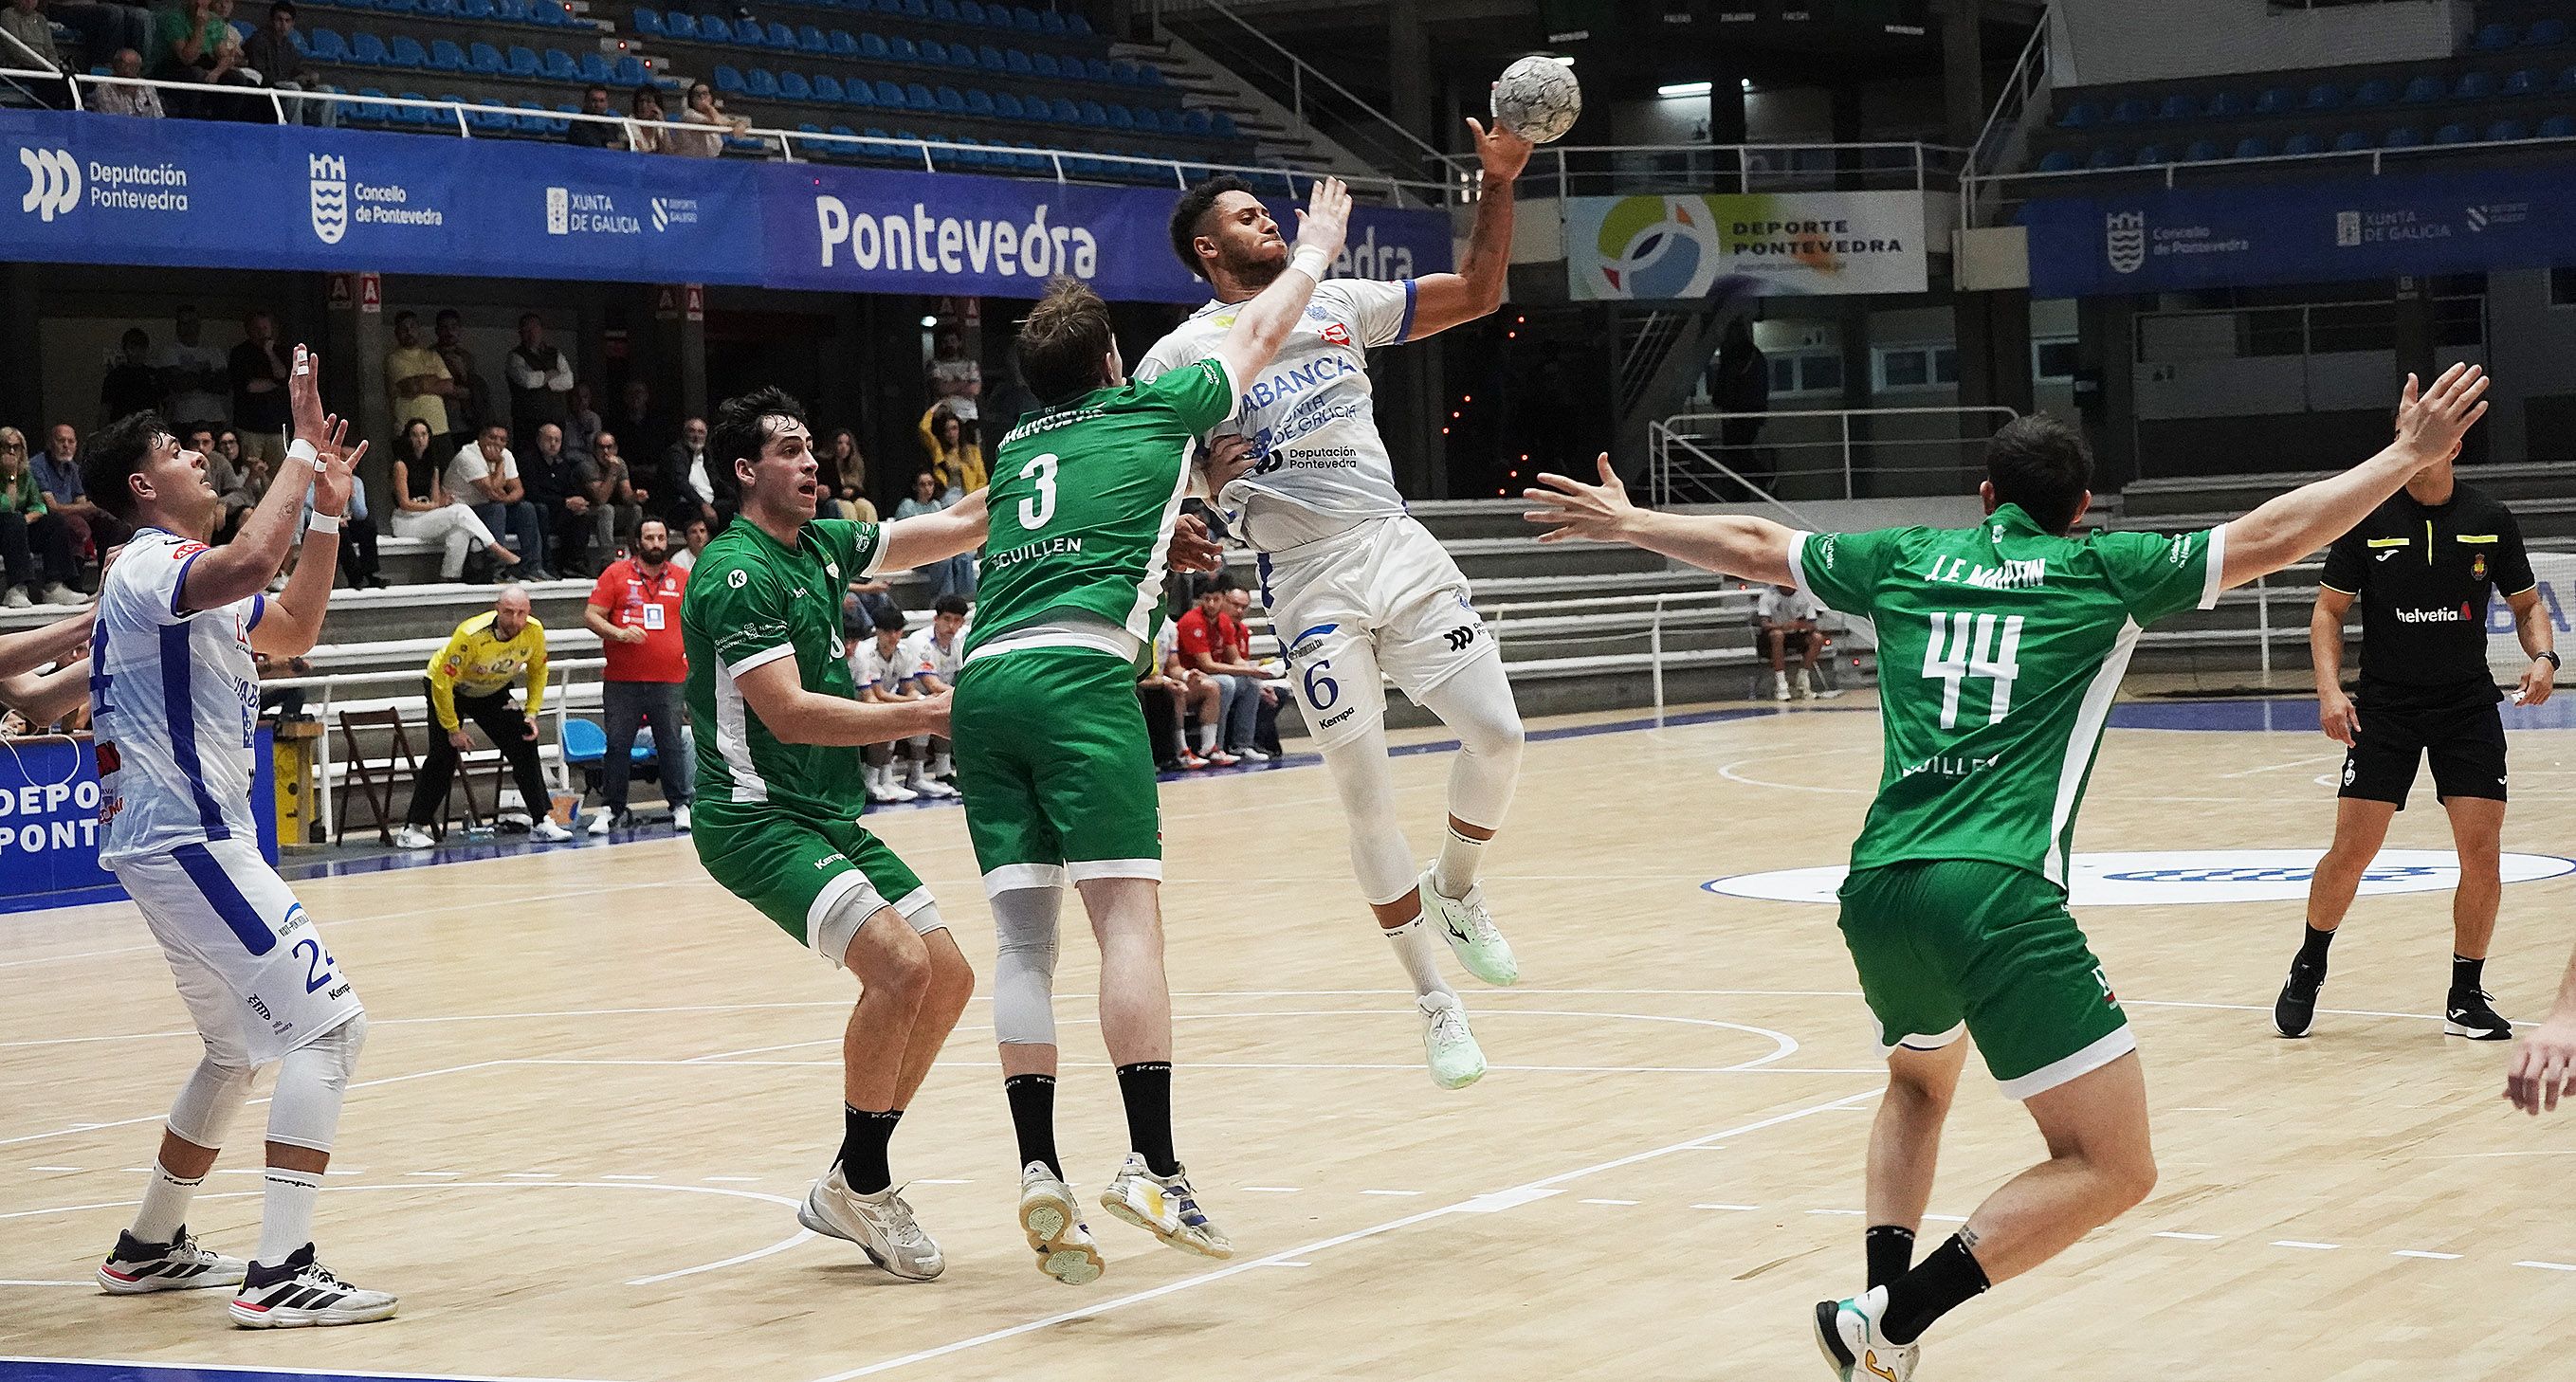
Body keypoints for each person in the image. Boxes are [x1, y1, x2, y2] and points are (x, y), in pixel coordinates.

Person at [1521, 367, 2492, 1382]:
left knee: (1915, 1082)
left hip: (1878, 887)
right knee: (2113, 1165)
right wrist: (2404, 456)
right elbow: (2272, 536)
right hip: (1996, 890)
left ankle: (1883, 1330)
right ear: (2081, 508)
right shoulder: (2103, 568)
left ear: (1983, 497)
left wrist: (1630, 522)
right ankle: (1888, 1317)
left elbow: (1759, 545)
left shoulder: (1901, 556)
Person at [956, 209, 1341, 1283]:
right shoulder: (1153, 405)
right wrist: (1317, 248)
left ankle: (1039, 1170)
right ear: (1111, 361)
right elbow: (1255, 334)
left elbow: (1075, 512)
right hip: (1077, 678)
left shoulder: (1019, 446)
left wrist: (1179, 507)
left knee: (1022, 944)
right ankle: (1153, 1165)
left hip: (983, 682)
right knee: (1127, 924)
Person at [1133, 130, 1532, 1090]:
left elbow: (1480, 289)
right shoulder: (1180, 355)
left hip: (1392, 542)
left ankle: (1456, 889)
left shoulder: (1339, 301)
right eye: (1245, 216)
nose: (1266, 220)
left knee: (1499, 737)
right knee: (1365, 794)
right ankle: (1433, 1000)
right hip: (1306, 578)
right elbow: (1137, 466)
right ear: (1208, 250)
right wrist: (1194, 492)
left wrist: (1496, 181)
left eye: (1264, 210)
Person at [82, 352, 399, 1327]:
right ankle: (281, 1272)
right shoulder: (149, 564)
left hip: (180, 840)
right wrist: (300, 450)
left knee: (232, 1050)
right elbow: (256, 562)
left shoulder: (191, 583)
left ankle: (148, 1247)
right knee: (330, 1029)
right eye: (177, 450)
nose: (200, 456)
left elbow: (293, 625)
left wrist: (328, 515)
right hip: (188, 837)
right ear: (143, 486)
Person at [677, 384, 996, 1281]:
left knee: (948, 977)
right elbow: (787, 714)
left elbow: (956, 524)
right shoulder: (734, 571)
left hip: (822, 811)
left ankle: (849, 1182)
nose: (811, 461)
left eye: (811, 445)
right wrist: (927, 714)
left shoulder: (822, 541)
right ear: (745, 471)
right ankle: (867, 1182)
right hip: (752, 818)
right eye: (789, 449)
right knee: (897, 966)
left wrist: (1059, 448)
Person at [2271, 412, 2556, 1043]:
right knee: (2352, 852)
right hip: (2385, 709)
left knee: (2481, 855)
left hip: (2466, 707)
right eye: (2406, 435)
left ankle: (2464, 995)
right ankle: (2310, 961)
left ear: (2454, 446)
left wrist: (2544, 656)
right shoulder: (2368, 515)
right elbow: (2328, 611)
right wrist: (2328, 690)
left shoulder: (2489, 518)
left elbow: (2527, 604)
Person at [391, 586, 573, 847]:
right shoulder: (470, 634)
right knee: (443, 754)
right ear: (497, 609)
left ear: (529, 612)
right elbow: (442, 683)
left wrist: (532, 712)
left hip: (492, 689)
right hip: (450, 688)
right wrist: (453, 729)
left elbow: (538, 671)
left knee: (524, 741)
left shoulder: (534, 631)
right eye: (508, 612)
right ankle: (412, 829)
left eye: (521, 613)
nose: (515, 620)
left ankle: (541, 821)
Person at [582, 518, 691, 833]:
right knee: (618, 745)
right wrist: (618, 633)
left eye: (660, 537)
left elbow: (698, 619)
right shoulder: (616, 574)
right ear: (638, 541)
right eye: (649, 537)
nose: (656, 543)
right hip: (623, 680)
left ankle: (680, 805)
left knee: (671, 744)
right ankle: (611, 808)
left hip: (670, 678)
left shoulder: (683, 578)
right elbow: (591, 615)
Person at [387, 417, 513, 581]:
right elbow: (404, 503)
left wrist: (443, 502)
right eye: (415, 435)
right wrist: (435, 505)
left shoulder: (433, 465)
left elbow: (435, 501)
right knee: (460, 510)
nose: (420, 439)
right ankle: (495, 547)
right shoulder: (401, 465)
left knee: (460, 531)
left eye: (424, 434)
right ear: (408, 438)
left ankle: (449, 577)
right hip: (405, 521)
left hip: (425, 517)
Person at [850, 605, 929, 805]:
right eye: (887, 631)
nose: (893, 636)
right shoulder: (865, 652)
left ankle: (889, 780)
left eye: (898, 631)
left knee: (922, 713)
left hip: (881, 702)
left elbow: (909, 688)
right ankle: (871, 781)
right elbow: (878, 693)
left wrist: (922, 701)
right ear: (877, 631)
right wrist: (914, 702)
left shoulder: (904, 652)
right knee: (888, 718)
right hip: (858, 702)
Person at [448, 423, 549, 579]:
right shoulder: (467, 456)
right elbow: (491, 490)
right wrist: (500, 464)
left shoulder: (506, 454)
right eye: (492, 438)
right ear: (481, 438)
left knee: (526, 509)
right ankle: (495, 569)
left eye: (502, 440)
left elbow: (518, 490)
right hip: (465, 513)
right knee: (496, 509)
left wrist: (503, 499)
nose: (497, 443)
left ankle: (532, 566)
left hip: (490, 511)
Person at [1174, 580, 1257, 766]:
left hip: (1211, 676)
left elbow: (1235, 658)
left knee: (1250, 682)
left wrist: (1255, 670)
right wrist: (1248, 669)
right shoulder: (1192, 621)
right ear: (1200, 600)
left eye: (1216, 599)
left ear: (1223, 600)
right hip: (1191, 677)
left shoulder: (1225, 621)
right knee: (1226, 683)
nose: (1211, 604)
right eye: (1207, 599)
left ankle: (1242, 745)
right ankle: (1214, 746)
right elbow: (1208, 666)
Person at [895, 592, 967, 792]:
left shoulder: (962, 638)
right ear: (936, 619)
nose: (951, 625)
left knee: (947, 706)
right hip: (909, 695)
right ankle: (916, 776)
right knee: (933, 705)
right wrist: (965, 694)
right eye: (947, 619)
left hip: (940, 695)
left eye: (957, 620)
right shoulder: (920, 640)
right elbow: (931, 684)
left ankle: (944, 772)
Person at [0, 427, 81, 607]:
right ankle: (16, 588)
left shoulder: (26, 475)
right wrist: (11, 477)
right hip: (4, 529)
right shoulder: (13, 475)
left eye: (16, 447)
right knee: (14, 520)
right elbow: (6, 507)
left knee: (54, 521)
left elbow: (40, 507)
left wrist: (26, 519)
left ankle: (55, 586)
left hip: (19, 528)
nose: (11, 451)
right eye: (5, 446)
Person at [1706, 317, 1772, 497]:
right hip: (1751, 410)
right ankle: (1753, 484)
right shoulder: (1753, 355)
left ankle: (1760, 479)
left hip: (1740, 411)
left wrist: (1721, 401)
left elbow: (1728, 380)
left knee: (1735, 449)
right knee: (1739, 450)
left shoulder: (1738, 355)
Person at [521, 422, 597, 577]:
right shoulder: (528, 461)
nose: (553, 444)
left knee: (581, 515)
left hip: (559, 511)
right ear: (539, 440)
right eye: (549, 439)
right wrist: (565, 502)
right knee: (541, 510)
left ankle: (574, 563)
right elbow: (532, 494)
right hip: (539, 512)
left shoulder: (563, 465)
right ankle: (546, 564)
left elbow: (570, 490)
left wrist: (578, 501)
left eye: (557, 440)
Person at [37, 421, 112, 573]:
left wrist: (92, 509)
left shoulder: (73, 468)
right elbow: (52, 507)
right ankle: (73, 581)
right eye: (61, 440)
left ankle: (107, 576)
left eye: (71, 441)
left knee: (110, 522)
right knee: (77, 524)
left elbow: (81, 501)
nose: (66, 445)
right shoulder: (38, 466)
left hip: (72, 516)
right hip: (47, 521)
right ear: (50, 443)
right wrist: (88, 507)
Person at [894, 470, 974, 598]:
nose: (927, 488)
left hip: (935, 550)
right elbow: (905, 537)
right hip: (914, 554)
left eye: (930, 484)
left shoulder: (935, 505)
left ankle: (966, 599)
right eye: (922, 485)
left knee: (964, 555)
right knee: (944, 560)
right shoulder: (907, 505)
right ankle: (943, 601)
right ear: (915, 487)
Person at [239, 1, 320, 124]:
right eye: (280, 20)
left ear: (292, 24)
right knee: (294, 88)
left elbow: (297, 69)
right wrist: (294, 80)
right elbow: (261, 75)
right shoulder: (258, 40)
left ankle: (325, 134)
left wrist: (308, 76)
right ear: (271, 21)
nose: (283, 25)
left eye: (287, 21)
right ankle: (294, 132)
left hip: (287, 86)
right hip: (267, 91)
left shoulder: (289, 46)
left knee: (326, 91)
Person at [226, 312, 292, 464]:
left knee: (279, 471)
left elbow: (283, 377)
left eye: (265, 328)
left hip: (277, 427)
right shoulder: (240, 353)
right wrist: (275, 383)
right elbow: (248, 386)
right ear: (249, 330)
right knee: (252, 470)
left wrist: (270, 353)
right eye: (257, 328)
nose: (261, 332)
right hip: (249, 426)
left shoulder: (281, 352)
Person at [384, 312, 457, 444]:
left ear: (419, 329)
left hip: (439, 428)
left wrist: (421, 382)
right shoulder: (393, 359)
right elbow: (411, 387)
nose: (409, 332)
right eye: (404, 328)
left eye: (412, 327)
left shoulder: (432, 355)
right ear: (396, 333)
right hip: (409, 430)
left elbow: (448, 386)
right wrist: (434, 379)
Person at [504, 313, 575, 445]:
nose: (531, 334)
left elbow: (568, 381)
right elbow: (527, 381)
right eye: (527, 330)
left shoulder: (555, 354)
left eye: (534, 329)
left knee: (556, 454)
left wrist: (542, 381)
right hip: (528, 423)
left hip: (556, 420)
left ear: (541, 330)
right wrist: (550, 374)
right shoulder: (515, 356)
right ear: (520, 333)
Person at [155, 306, 228, 432]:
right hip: (183, 421)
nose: (188, 328)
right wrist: (207, 375)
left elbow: (223, 386)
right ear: (177, 326)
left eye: (192, 323)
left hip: (213, 420)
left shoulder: (214, 352)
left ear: (198, 325)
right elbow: (179, 385)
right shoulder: (169, 352)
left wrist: (191, 375)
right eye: (184, 323)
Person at [432, 309, 490, 449]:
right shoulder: (429, 356)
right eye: (444, 327)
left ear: (459, 330)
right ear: (437, 331)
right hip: (439, 420)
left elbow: (475, 387)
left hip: (468, 420)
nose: (449, 332)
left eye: (453, 327)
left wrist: (463, 374)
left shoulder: (467, 357)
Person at [1757, 581, 1825, 701]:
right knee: (1777, 635)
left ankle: (1802, 679)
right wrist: (1783, 626)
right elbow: (1764, 624)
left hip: (1796, 634)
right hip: (1771, 638)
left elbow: (1812, 624)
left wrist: (1798, 625)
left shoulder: (1804, 595)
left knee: (1817, 638)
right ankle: (1781, 684)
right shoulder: (1768, 595)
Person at [917, 401, 985, 501]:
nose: (951, 433)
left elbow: (982, 479)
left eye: (954, 428)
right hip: (948, 497)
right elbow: (923, 429)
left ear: (959, 430)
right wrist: (938, 405)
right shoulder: (940, 451)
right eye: (947, 430)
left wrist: (974, 498)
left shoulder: (972, 451)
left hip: (970, 497)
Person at [586, 429, 644, 547]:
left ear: (615, 449)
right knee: (606, 509)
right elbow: (601, 499)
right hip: (586, 514)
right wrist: (612, 471)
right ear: (595, 450)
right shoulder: (587, 465)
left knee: (636, 509)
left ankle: (635, 551)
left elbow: (626, 497)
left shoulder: (620, 464)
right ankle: (608, 554)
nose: (605, 452)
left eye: (609, 447)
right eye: (601, 447)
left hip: (610, 516)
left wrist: (636, 496)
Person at [668, 80, 744, 157]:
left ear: (711, 97)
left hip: (709, 160)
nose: (702, 97)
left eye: (705, 93)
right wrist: (708, 106)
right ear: (692, 100)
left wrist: (740, 124)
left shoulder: (715, 115)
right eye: (697, 95)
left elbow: (727, 122)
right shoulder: (689, 114)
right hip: (687, 160)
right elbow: (716, 123)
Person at [101, 328, 161, 424]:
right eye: (132, 348)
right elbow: (106, 408)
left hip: (149, 427)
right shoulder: (115, 376)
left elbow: (166, 403)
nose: (137, 353)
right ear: (125, 349)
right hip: (122, 427)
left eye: (141, 348)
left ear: (146, 349)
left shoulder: (154, 375)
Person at [925, 326, 980, 427]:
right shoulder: (934, 365)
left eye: (953, 341)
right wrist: (965, 383)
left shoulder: (970, 364)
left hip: (968, 417)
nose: (949, 344)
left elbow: (974, 390)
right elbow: (940, 389)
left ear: (959, 343)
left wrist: (950, 385)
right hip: (943, 417)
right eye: (945, 341)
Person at [665, 415, 714, 528]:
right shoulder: (676, 453)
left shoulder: (707, 455)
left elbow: (718, 482)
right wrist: (702, 504)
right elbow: (681, 483)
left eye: (701, 432)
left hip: (708, 501)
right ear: (684, 434)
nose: (696, 436)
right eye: (692, 431)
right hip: (683, 504)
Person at [91, 47, 164, 118]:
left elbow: (158, 115)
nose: (127, 70)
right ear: (115, 66)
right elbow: (111, 118)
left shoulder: (146, 86)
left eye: (133, 66)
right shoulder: (104, 88)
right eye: (124, 65)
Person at [818, 427, 873, 521]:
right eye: (840, 443)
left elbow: (863, 490)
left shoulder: (856, 464)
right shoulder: (824, 463)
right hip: (831, 500)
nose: (844, 447)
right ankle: (850, 531)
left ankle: (870, 531)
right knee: (847, 507)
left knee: (866, 506)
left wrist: (853, 492)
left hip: (851, 499)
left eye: (847, 444)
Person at [567, 83, 623, 149]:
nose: (598, 105)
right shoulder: (577, 125)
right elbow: (595, 146)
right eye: (594, 100)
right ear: (586, 101)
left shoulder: (610, 123)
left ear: (607, 103)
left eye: (602, 101)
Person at [627, 84, 667, 154]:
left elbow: (668, 150)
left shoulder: (657, 123)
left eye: (649, 102)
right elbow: (641, 151)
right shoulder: (630, 121)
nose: (644, 106)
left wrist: (663, 123)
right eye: (641, 101)